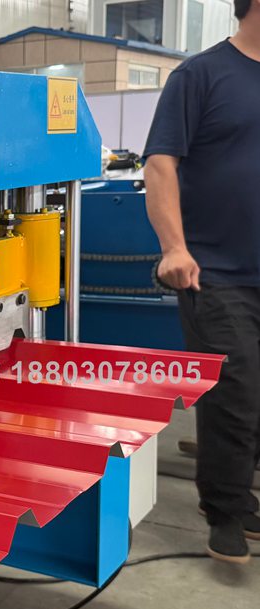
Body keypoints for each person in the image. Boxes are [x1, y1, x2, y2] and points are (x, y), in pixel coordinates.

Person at [144, 0, 260, 564]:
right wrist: (175, 248)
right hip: (215, 272)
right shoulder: (200, 75)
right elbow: (159, 163)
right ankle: (227, 511)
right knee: (236, 392)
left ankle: (241, 492)